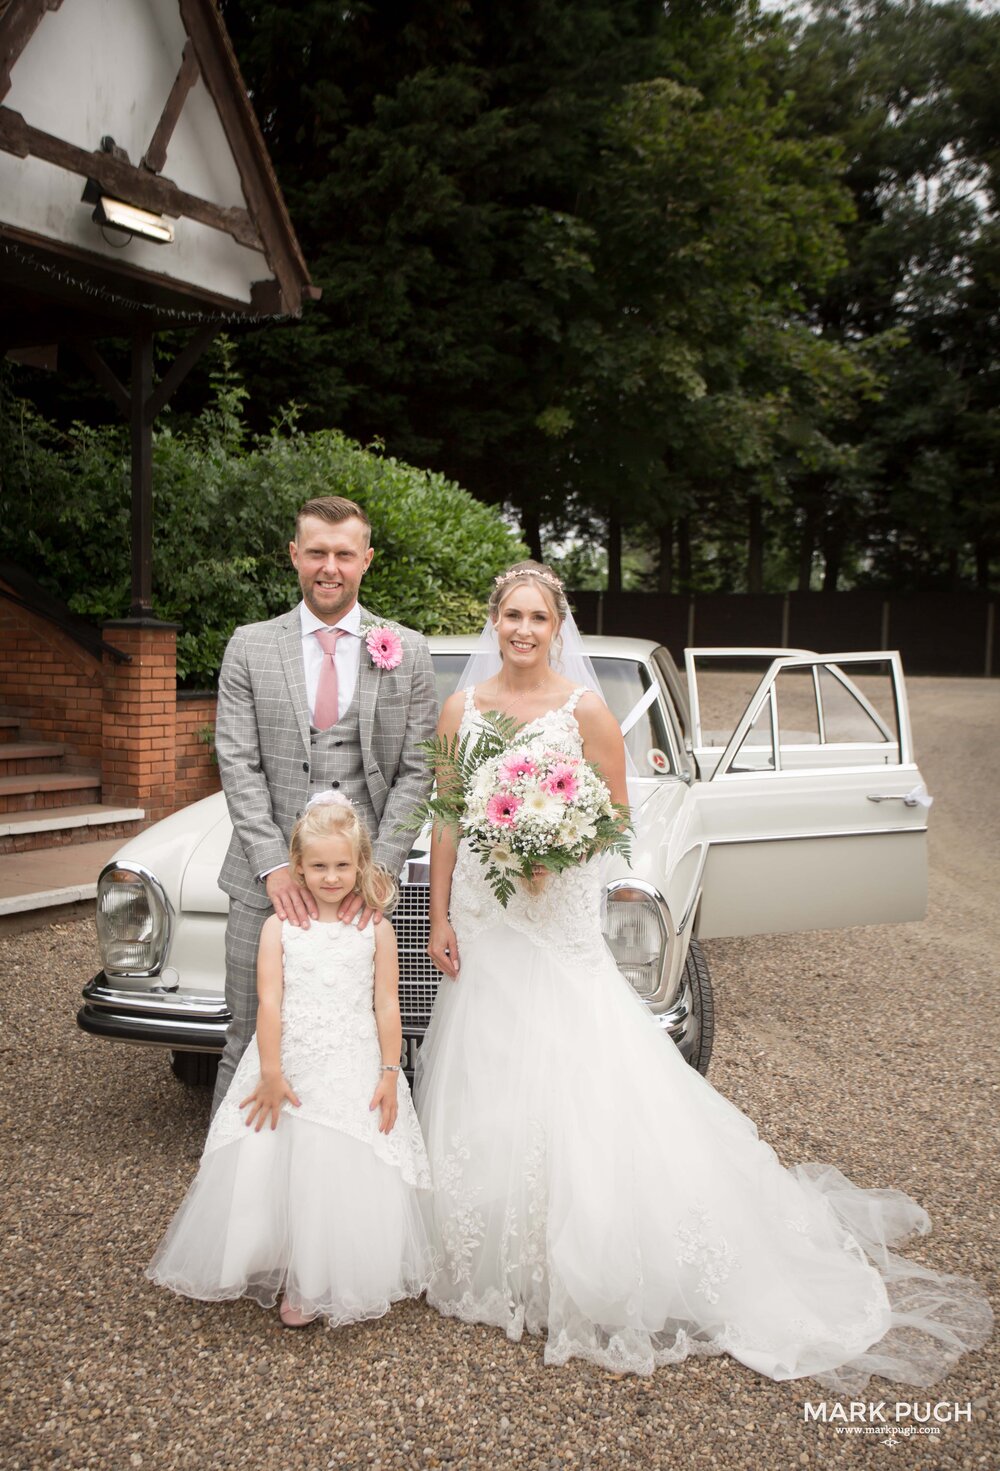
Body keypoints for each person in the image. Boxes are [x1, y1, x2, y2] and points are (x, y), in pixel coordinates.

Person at [414, 559, 993, 1389]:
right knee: (489, 1067)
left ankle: (590, 1253)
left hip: (556, 913)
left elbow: (614, 819)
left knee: (580, 1065)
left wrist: (548, 849)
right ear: (493, 619)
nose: (523, 630)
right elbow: (445, 814)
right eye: (511, 614)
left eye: (539, 617)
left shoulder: (587, 710)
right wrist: (437, 912)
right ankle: (492, 1252)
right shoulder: (458, 708)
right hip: (486, 914)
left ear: (556, 625)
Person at [147, 793, 435, 1328]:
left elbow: (387, 1004)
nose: (331, 877)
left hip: (351, 1060)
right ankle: (284, 1262)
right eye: (319, 866)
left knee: (339, 1162)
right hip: (290, 1062)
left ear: (361, 865)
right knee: (281, 1156)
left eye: (343, 866)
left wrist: (391, 1073)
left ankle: (323, 1274)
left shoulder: (376, 928)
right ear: (297, 866)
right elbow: (269, 1001)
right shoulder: (280, 927)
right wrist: (272, 1072)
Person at [211, 495, 437, 1117]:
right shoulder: (250, 646)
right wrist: (272, 866)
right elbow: (237, 762)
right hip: (266, 886)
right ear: (294, 555)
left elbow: (418, 770)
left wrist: (380, 871)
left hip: (363, 892)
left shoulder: (408, 651)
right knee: (246, 1038)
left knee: (362, 1037)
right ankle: (233, 1196)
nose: (329, 567)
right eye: (316, 553)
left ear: (366, 558)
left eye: (343, 553)